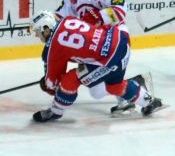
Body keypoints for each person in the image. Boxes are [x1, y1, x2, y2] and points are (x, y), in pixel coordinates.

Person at [29, 11, 164, 122]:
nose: (38, 36)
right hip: (120, 37)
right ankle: (149, 101)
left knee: (70, 80)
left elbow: (53, 83)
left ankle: (55, 112)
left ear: (46, 28)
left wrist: (46, 84)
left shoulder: (54, 47)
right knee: (114, 86)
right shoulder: (67, 20)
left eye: (38, 32)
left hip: (109, 58)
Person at [56, 0, 132, 113]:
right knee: (96, 92)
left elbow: (121, 10)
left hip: (113, 39)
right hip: (90, 44)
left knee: (104, 78)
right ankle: (130, 86)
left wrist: (98, 17)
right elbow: (59, 18)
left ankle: (127, 94)